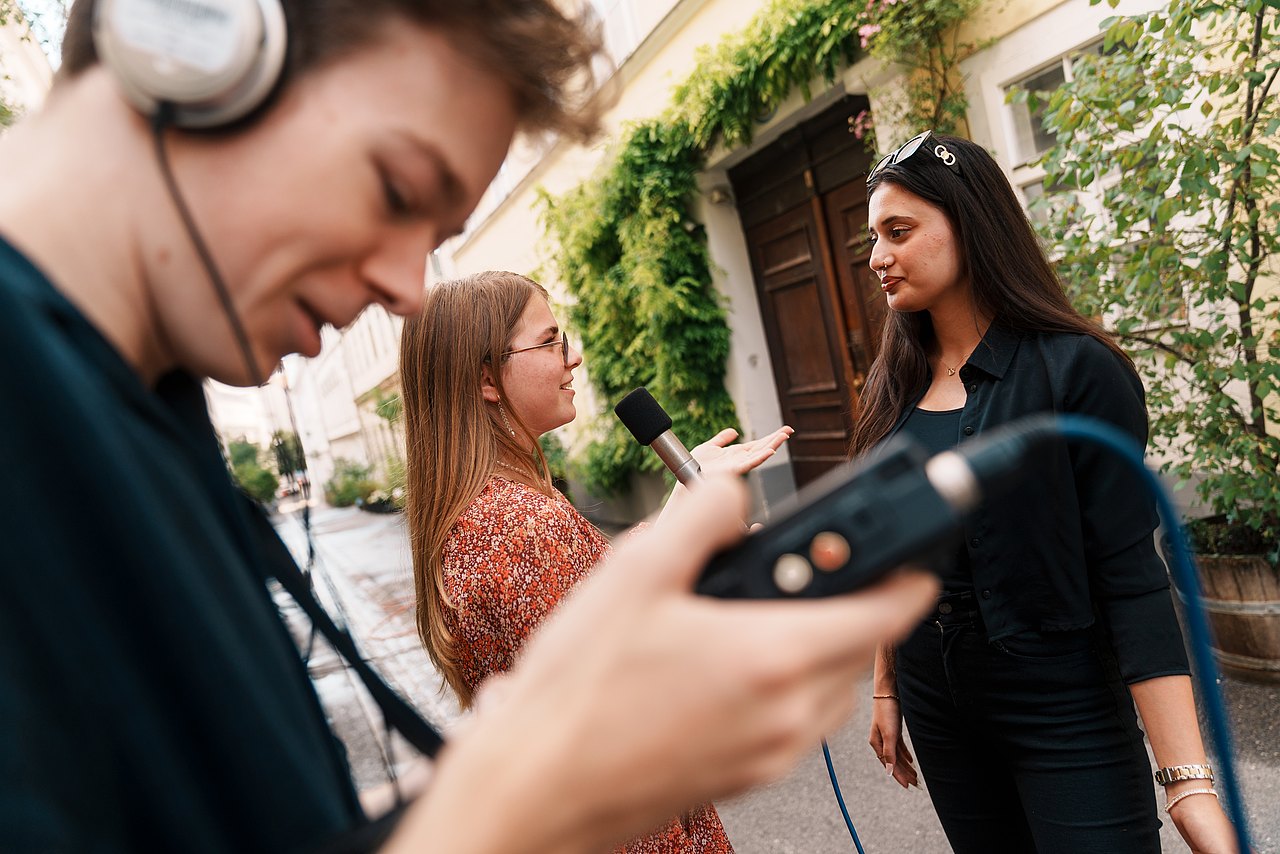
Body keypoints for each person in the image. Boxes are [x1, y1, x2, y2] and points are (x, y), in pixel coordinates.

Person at [0, 1, 938, 851]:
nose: (404, 291)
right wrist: (539, 788)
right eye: (397, 189)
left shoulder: (129, 420)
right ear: (190, 37)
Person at [854, 132, 1238, 853]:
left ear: (969, 224)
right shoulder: (892, 382)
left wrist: (1187, 783)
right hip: (938, 704)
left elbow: (1130, 577)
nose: (878, 257)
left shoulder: (1079, 371)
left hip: (1063, 704)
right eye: (874, 237)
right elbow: (896, 552)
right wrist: (887, 683)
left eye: (898, 232)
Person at [398, 271, 793, 852]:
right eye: (550, 342)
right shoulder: (525, 527)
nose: (573, 357)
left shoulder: (487, 511)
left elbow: (590, 591)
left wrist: (682, 509)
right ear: (486, 379)